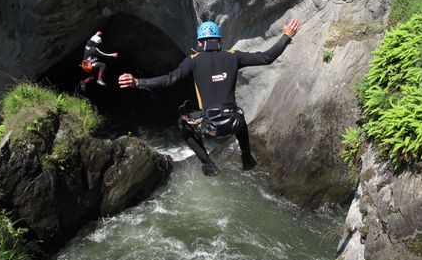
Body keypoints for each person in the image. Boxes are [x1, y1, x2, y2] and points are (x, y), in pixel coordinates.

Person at [119, 19, 301, 176]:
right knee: (239, 113)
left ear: (199, 43)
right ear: (219, 41)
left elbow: (169, 79)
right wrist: (287, 36)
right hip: (233, 123)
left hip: (209, 126)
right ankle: (246, 155)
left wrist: (138, 82)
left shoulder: (193, 59)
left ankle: (208, 163)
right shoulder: (233, 56)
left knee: (183, 121)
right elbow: (266, 57)